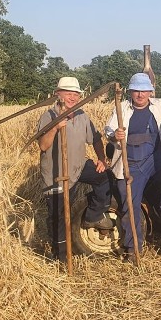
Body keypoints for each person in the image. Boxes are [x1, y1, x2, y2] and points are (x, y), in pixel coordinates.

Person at [105, 73, 161, 262]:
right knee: (129, 204)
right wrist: (115, 136)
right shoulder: (122, 109)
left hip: (156, 161)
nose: (140, 95)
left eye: (144, 91)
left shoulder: (160, 106)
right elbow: (109, 131)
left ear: (150, 92)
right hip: (131, 164)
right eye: (136, 91)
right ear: (130, 92)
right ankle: (133, 248)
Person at [37, 76, 113, 262]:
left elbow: (95, 138)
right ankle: (61, 257)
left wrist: (101, 159)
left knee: (105, 177)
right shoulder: (49, 116)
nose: (72, 98)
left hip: (78, 167)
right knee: (59, 216)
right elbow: (43, 146)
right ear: (58, 94)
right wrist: (55, 128)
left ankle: (92, 215)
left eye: (75, 94)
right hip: (57, 174)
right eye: (68, 94)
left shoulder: (81, 115)